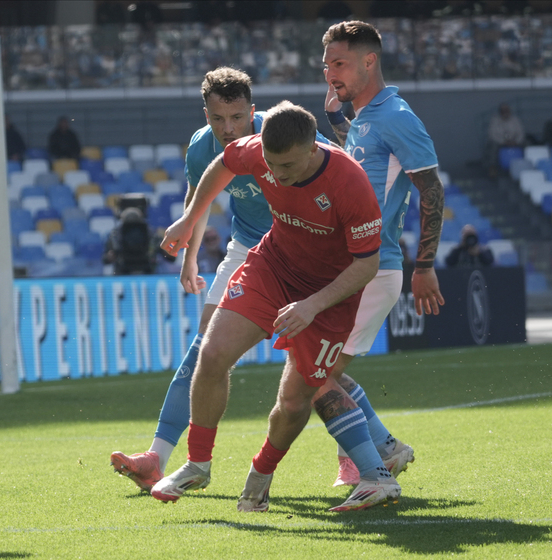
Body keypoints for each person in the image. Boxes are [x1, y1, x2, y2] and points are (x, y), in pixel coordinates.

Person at [152, 101, 400, 513]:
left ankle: (261, 474)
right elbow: (223, 164)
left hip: (328, 294)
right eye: (271, 164)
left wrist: (311, 306)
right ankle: (197, 463)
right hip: (272, 267)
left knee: (293, 401)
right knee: (211, 354)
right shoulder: (258, 150)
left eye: (287, 166)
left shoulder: (349, 183)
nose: (277, 175)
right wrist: (191, 218)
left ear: (312, 149)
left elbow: (367, 264)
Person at [110, 67, 336, 492]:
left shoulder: (282, 133)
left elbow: (334, 174)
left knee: (314, 365)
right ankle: (157, 457)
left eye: (237, 118)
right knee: (206, 348)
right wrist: (190, 258)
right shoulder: (201, 148)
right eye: (217, 119)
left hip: (304, 253)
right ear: (206, 114)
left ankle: (371, 449)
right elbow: (200, 199)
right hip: (248, 246)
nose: (228, 129)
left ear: (252, 112)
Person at [321, 20, 446, 487]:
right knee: (313, 369)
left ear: (369, 61)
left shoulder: (396, 116)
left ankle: (374, 469)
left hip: (374, 266)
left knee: (314, 375)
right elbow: (367, 165)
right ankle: (383, 452)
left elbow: (431, 190)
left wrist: (426, 264)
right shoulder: (369, 117)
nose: (331, 73)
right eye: (327, 64)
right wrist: (337, 122)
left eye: (341, 64)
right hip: (353, 266)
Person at [102, 206, 154, 275]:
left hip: (146, 268)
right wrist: (110, 256)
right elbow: (105, 259)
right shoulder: (116, 235)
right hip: (122, 269)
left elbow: (169, 257)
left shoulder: (148, 233)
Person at [487, 102, 525, 175]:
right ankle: (492, 168)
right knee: (492, 146)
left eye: (507, 110)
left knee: (526, 143)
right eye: (503, 110)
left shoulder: (515, 120)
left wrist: (516, 141)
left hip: (514, 142)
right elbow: (492, 135)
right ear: (500, 111)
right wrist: (503, 142)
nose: (505, 112)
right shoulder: (494, 120)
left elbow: (521, 133)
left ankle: (525, 166)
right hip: (500, 143)